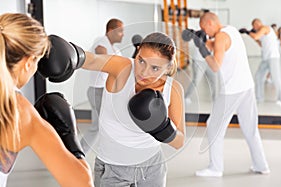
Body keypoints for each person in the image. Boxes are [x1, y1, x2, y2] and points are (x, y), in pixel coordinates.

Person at [0, 13, 93, 187]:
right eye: (37, 61)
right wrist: (69, 135)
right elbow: (81, 182)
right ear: (28, 63)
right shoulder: (18, 111)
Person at [82, 32, 186, 186]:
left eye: (155, 68)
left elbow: (179, 142)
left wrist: (161, 128)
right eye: (141, 61)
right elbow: (92, 61)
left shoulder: (174, 89)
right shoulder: (122, 67)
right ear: (137, 53)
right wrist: (69, 55)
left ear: (168, 67)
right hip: (112, 169)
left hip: (152, 170)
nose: (143, 72)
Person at [193, 12, 270, 177]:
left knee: (213, 125)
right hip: (247, 87)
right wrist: (201, 41)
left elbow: (215, 66)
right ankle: (261, 165)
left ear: (210, 23)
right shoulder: (231, 30)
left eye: (203, 28)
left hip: (232, 90)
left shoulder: (220, 37)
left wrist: (201, 49)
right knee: (250, 128)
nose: (204, 31)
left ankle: (215, 168)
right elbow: (216, 46)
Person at [80, 18, 124, 153]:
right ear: (111, 30)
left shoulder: (116, 50)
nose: (123, 34)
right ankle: (79, 153)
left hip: (107, 91)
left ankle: (78, 152)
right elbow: (103, 58)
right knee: (101, 125)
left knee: (101, 125)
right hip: (97, 90)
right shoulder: (101, 42)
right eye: (120, 31)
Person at [241, 18, 281, 106]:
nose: (254, 28)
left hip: (273, 57)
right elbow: (260, 43)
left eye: (253, 26)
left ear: (257, 24)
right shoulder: (262, 33)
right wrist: (251, 34)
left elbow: (255, 36)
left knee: (276, 78)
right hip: (265, 58)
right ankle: (259, 98)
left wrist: (248, 32)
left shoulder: (265, 28)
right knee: (258, 77)